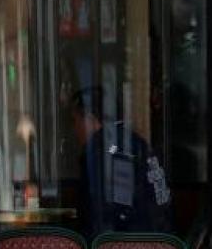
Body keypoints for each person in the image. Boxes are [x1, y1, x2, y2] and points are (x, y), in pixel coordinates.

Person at [70, 86, 172, 239]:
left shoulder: (99, 149)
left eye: (75, 120)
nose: (74, 129)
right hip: (161, 245)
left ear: (89, 119)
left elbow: (100, 216)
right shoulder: (138, 143)